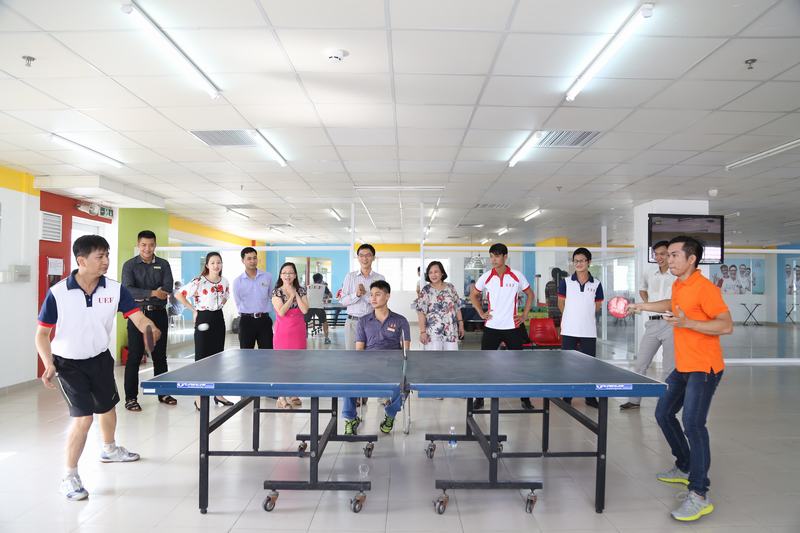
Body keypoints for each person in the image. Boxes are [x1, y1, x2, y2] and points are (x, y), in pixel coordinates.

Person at [35, 235, 158, 501]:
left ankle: (109, 449)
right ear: (81, 260)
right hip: (68, 364)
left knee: (107, 407)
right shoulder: (58, 293)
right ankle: (69, 477)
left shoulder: (115, 289)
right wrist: (48, 364)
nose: (106, 261)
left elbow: (137, 317)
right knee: (84, 418)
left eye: (107, 255)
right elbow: (42, 334)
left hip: (100, 358)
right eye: (99, 256)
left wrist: (150, 327)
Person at [628, 235, 732, 522]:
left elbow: (726, 325)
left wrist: (688, 323)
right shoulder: (679, 284)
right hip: (684, 366)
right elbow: (671, 303)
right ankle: (685, 464)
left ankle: (699, 494)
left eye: (674, 255)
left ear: (691, 259)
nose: (668, 259)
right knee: (663, 413)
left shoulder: (705, 289)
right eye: (668, 254)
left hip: (704, 367)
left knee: (693, 424)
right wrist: (642, 306)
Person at [469, 243, 535, 410]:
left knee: (519, 366)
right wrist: (481, 312)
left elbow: (530, 294)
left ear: (505, 257)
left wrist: (524, 315)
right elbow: (473, 295)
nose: (493, 260)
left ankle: (525, 399)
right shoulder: (486, 277)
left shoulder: (517, 276)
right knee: (484, 365)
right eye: (491, 256)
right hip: (491, 327)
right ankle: (480, 398)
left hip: (513, 327)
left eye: (497, 256)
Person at [343, 280, 411, 436]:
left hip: (392, 365)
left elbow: (406, 350)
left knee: (405, 384)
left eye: (378, 294)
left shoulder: (400, 320)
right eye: (371, 295)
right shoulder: (363, 321)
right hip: (369, 365)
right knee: (347, 381)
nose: (373, 298)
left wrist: (398, 365)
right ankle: (350, 418)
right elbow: (359, 350)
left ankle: (390, 414)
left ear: (387, 296)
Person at [120, 230, 174, 411]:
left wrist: (144, 294)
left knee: (160, 356)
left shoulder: (163, 264)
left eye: (151, 245)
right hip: (137, 315)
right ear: (138, 245)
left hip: (159, 314)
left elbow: (167, 288)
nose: (147, 249)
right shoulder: (129, 265)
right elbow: (128, 290)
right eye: (143, 245)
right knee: (134, 356)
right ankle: (131, 398)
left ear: (155, 245)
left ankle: (163, 393)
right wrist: (153, 292)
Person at [620, 241, 675, 411]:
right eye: (656, 254)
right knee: (640, 364)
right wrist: (648, 303)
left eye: (662, 254)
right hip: (652, 323)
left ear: (670, 254)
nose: (659, 257)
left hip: (671, 323)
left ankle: (665, 404)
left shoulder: (677, 275)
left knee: (669, 368)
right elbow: (642, 289)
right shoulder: (650, 272)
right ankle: (634, 400)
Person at [175, 252, 232, 409]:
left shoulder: (225, 281)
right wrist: (194, 310)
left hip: (218, 319)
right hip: (203, 317)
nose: (216, 265)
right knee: (201, 359)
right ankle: (199, 397)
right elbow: (179, 295)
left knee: (218, 358)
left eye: (218, 262)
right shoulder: (199, 281)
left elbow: (226, 296)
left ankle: (218, 394)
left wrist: (218, 306)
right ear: (207, 265)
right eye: (212, 263)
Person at [558, 247, 604, 407]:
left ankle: (590, 397)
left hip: (588, 331)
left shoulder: (596, 284)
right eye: (576, 261)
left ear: (588, 262)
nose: (578, 264)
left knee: (589, 366)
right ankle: (567, 396)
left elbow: (597, 306)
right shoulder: (565, 282)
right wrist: (571, 316)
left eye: (582, 261)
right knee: (568, 365)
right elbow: (561, 303)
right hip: (569, 330)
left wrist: (584, 316)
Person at [271, 262, 310, 408]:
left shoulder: (301, 290)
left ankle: (293, 393)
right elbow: (281, 312)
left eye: (291, 272)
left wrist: (296, 294)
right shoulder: (276, 292)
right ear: (281, 275)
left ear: (295, 275)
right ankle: (281, 397)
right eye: (284, 273)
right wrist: (291, 297)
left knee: (297, 364)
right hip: (283, 332)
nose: (287, 275)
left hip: (298, 331)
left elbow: (305, 310)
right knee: (282, 365)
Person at [340, 244, 385, 350]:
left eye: (368, 255)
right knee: (352, 355)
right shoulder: (350, 277)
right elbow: (343, 301)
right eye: (361, 255)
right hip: (352, 323)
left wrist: (365, 294)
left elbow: (381, 302)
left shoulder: (380, 278)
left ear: (373, 257)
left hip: (372, 322)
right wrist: (356, 294)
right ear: (358, 258)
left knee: (372, 354)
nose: (365, 258)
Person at [232, 247, 274, 350]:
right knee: (246, 353)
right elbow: (238, 301)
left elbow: (271, 296)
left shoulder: (267, 277)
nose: (252, 261)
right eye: (249, 258)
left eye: (254, 258)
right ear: (243, 261)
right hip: (246, 321)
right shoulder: (238, 281)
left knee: (267, 353)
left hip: (264, 320)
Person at [416, 261, 464, 350]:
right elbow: (421, 312)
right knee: (434, 358)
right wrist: (422, 332)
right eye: (430, 272)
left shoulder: (450, 287)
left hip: (450, 331)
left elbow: (457, 307)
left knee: (452, 357)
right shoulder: (426, 290)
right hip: (433, 333)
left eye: (436, 272)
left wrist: (461, 324)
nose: (433, 275)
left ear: (442, 273)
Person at [305, 273, 332, 344]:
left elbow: (304, 296)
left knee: (304, 321)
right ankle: (326, 338)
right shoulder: (323, 286)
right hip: (319, 307)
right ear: (321, 280)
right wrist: (326, 298)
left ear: (313, 279)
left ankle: (303, 336)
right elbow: (330, 295)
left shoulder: (308, 287)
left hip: (309, 307)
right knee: (324, 322)